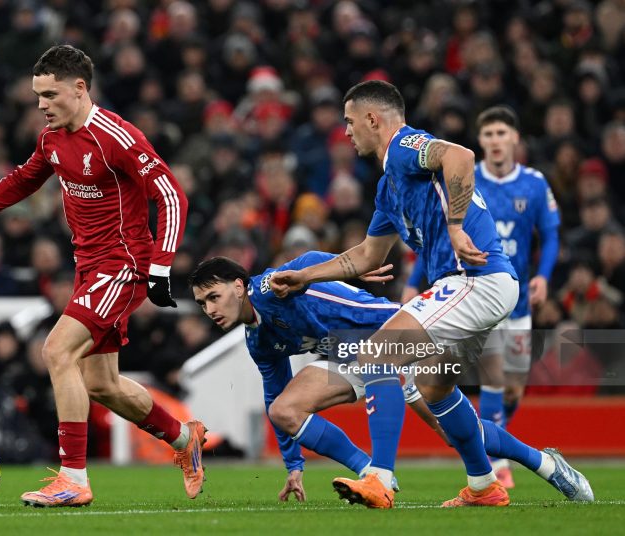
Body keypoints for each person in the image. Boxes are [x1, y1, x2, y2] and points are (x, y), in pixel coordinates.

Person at [270, 80, 592, 508]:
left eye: (349, 122)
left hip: (475, 279)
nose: (345, 132)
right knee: (434, 389)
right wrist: (306, 276)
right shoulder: (388, 186)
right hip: (472, 288)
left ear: (372, 119)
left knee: (378, 355)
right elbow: (368, 255)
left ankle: (380, 478)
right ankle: (499, 480)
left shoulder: (406, 145)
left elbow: (460, 156)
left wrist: (456, 226)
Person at [0, 45, 206, 507]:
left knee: (56, 350)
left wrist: (160, 267)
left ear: (80, 89)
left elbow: (172, 195)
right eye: (38, 95)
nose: (41, 105)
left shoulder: (116, 136)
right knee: (101, 384)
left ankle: (73, 479)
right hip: (88, 267)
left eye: (50, 94)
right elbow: (21, 180)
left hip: (123, 264)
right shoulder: (51, 138)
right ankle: (185, 440)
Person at [192, 252, 595, 507]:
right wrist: (293, 464)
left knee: (451, 431)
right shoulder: (257, 339)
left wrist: (350, 264)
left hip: (396, 332)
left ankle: (543, 462)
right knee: (284, 409)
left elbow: (306, 261)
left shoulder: (270, 287)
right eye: (201, 303)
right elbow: (273, 392)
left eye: (214, 296)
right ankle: (374, 471)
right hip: (351, 352)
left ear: (240, 286)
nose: (210, 309)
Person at [404, 106, 561, 488]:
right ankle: (494, 465)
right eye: (488, 134)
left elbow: (551, 235)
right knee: (493, 376)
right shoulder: (467, 180)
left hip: (518, 298)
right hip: (476, 289)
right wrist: (414, 279)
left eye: (501, 134)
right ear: (481, 142)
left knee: (512, 385)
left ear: (515, 140)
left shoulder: (535, 184)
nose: (494, 141)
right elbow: (439, 238)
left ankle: (495, 434)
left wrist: (543, 277)